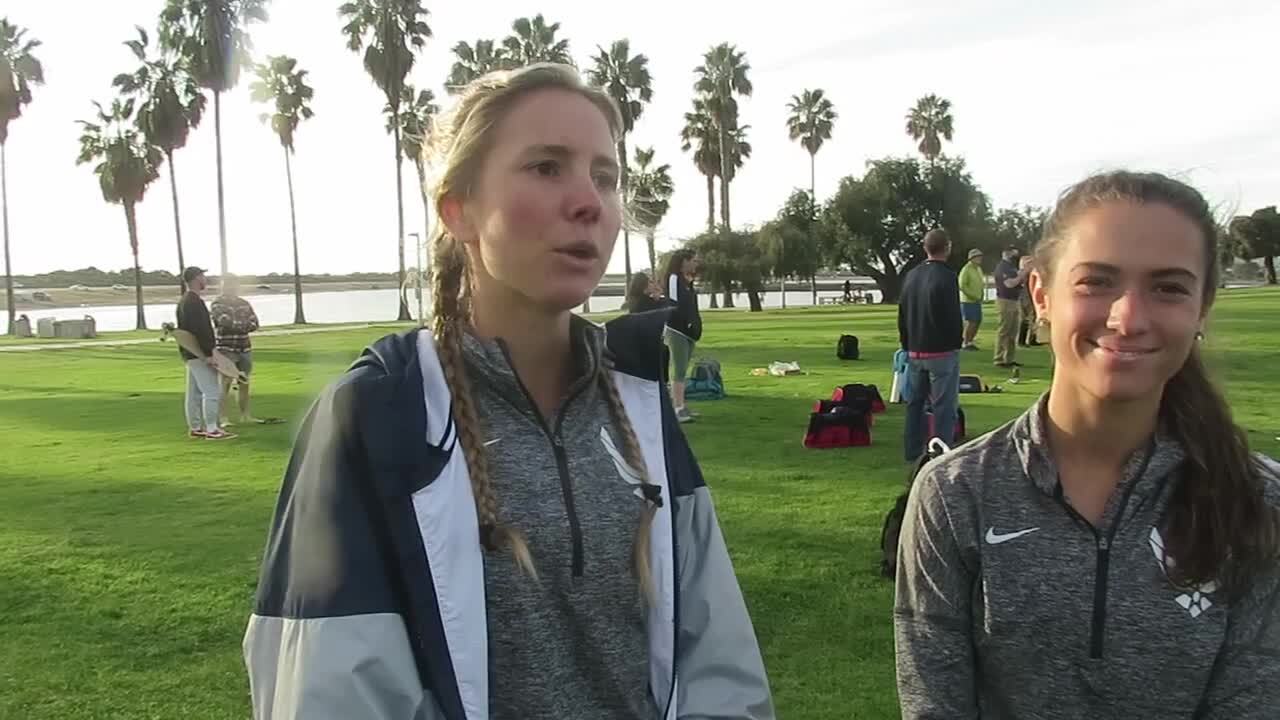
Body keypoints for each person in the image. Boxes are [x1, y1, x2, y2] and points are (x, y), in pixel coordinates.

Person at [242, 63, 774, 720]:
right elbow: (329, 690)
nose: (589, 202)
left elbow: (717, 662)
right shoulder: (379, 417)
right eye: (547, 167)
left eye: (605, 177)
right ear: (457, 209)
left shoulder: (638, 403)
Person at [895, 171, 1280, 719]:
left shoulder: (1259, 501)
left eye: (1169, 288)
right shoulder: (956, 495)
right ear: (1041, 295)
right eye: (1096, 281)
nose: (1128, 318)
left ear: (1203, 307)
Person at [897, 228, 963, 463]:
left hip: (916, 348)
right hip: (941, 350)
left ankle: (912, 449)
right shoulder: (947, 276)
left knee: (915, 403)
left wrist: (906, 343)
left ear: (925, 248)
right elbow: (953, 315)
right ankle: (940, 452)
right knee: (943, 405)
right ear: (947, 247)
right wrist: (957, 342)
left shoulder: (912, 275)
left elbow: (902, 313)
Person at [176, 266, 234, 440]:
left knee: (194, 393)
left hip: (190, 353)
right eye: (202, 276)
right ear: (196, 278)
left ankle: (195, 427)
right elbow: (201, 330)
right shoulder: (194, 302)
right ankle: (212, 429)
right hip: (199, 353)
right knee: (211, 392)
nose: (205, 279)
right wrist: (209, 353)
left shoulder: (184, 301)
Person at [210, 274, 260, 427]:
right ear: (222, 286)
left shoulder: (244, 303)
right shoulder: (217, 304)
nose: (230, 287)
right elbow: (223, 322)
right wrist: (243, 324)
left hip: (244, 347)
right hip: (226, 348)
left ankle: (245, 415)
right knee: (225, 383)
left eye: (233, 284)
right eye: (227, 284)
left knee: (244, 381)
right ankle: (223, 418)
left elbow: (254, 323)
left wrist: (237, 324)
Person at [663, 248, 703, 424]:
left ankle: (681, 405)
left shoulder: (688, 281)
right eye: (693, 260)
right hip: (676, 330)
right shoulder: (674, 279)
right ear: (684, 261)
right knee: (678, 368)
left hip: (689, 332)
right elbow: (673, 305)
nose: (696, 263)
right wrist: (685, 322)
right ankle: (677, 408)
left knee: (683, 368)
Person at [992, 245, 1032, 367]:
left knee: (1013, 331)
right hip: (1005, 301)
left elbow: (1019, 281)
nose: (1014, 254)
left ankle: (1009, 358)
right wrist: (1022, 274)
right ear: (1005, 253)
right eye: (1011, 252)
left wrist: (1023, 273)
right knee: (1004, 330)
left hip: (1014, 300)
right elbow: (1009, 283)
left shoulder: (1011, 267)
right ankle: (999, 358)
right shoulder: (1002, 267)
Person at [957, 248, 985, 350]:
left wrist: (981, 295)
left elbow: (980, 283)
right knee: (970, 322)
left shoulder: (978, 269)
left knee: (977, 321)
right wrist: (973, 295)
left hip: (977, 300)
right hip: (967, 301)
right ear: (971, 258)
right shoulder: (966, 269)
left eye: (980, 256)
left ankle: (970, 341)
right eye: (977, 257)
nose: (980, 258)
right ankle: (965, 343)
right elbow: (962, 285)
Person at [1017, 254, 1040, 346]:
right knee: (1027, 318)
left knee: (1032, 317)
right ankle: (1023, 340)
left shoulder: (1029, 273)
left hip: (1028, 296)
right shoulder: (1023, 273)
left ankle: (1032, 338)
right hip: (1026, 297)